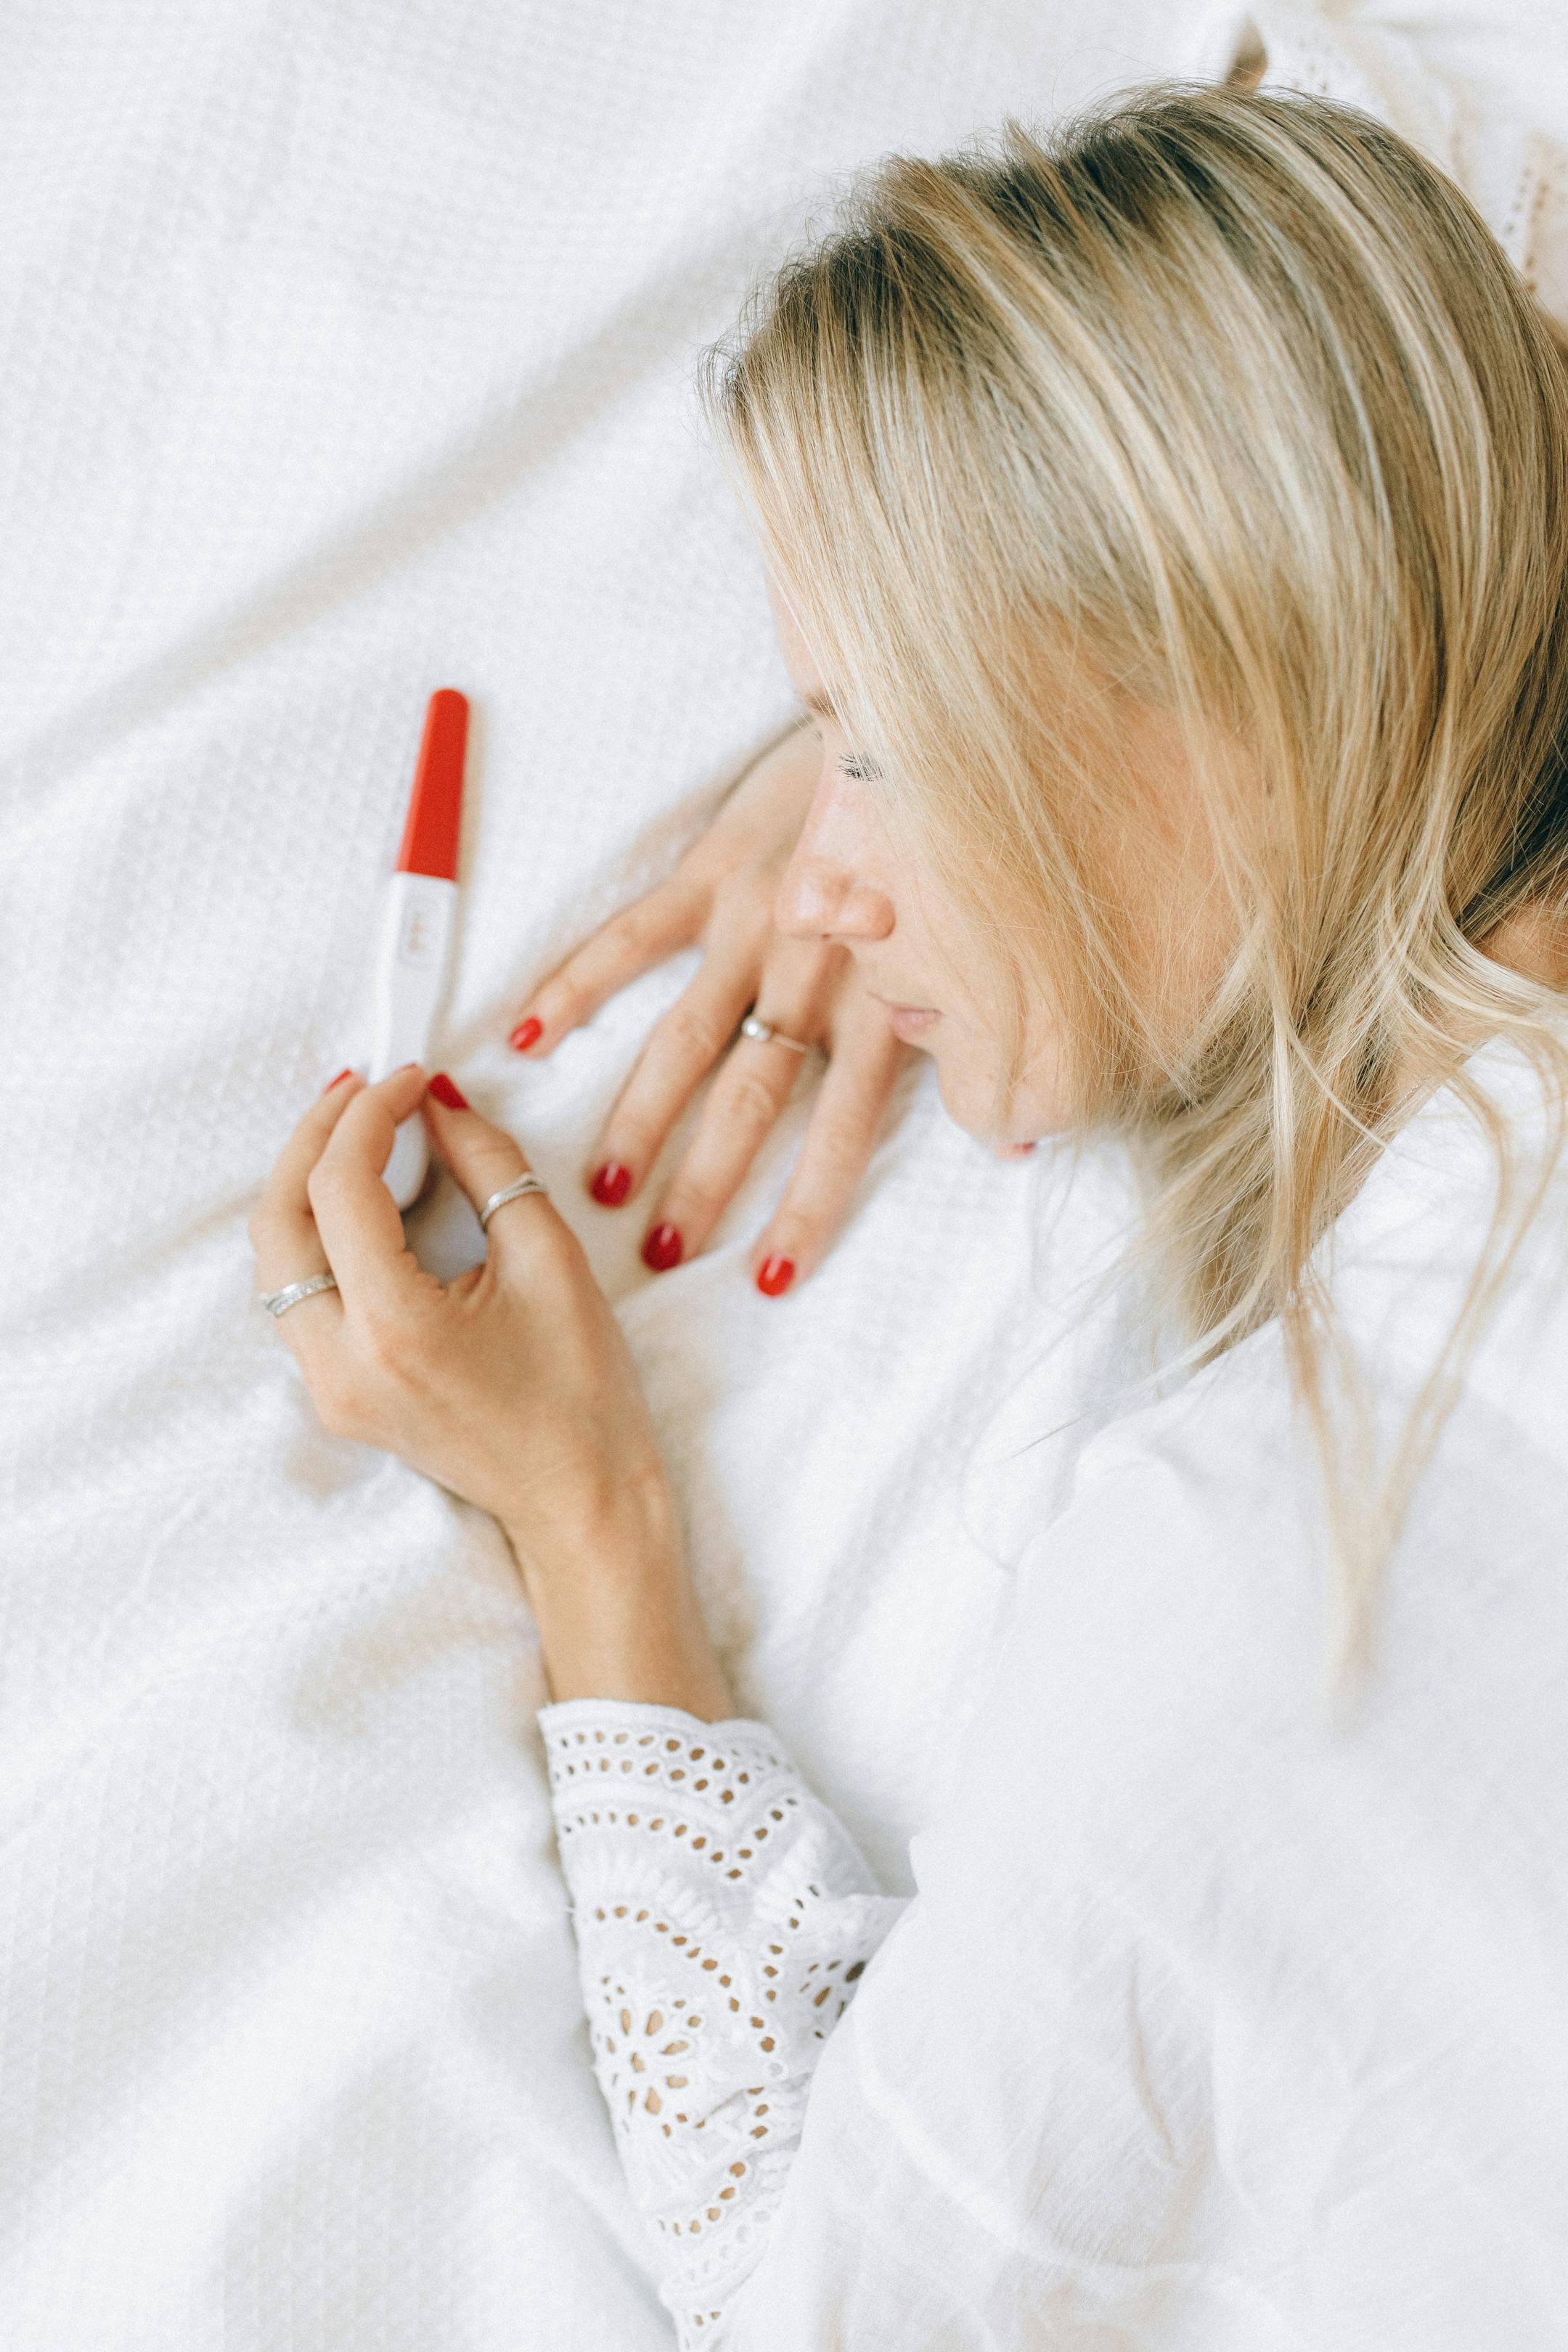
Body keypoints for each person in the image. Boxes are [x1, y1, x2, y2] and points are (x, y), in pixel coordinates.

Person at [250, 83, 1568, 2351]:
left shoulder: (1263, 1571)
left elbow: (822, 2305)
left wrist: (587, 1522)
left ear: (1219, 677)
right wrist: (959, 735)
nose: (824, 882)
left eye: (868, 733)